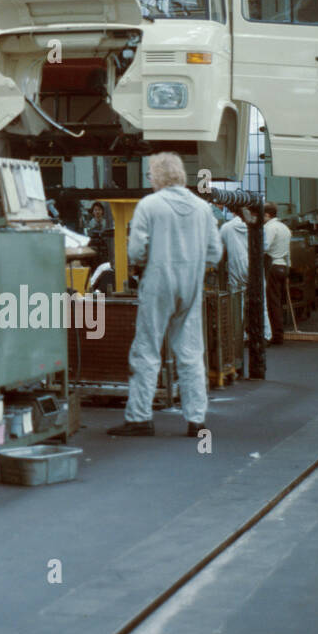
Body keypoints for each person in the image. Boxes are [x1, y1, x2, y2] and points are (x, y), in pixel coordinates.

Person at [107, 152, 221, 438]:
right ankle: (196, 420)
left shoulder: (150, 205)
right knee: (191, 351)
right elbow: (215, 252)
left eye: (150, 175)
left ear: (157, 176)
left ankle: (140, 418)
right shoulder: (202, 208)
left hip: (158, 281)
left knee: (146, 349)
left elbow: (135, 250)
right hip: (191, 284)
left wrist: (142, 265)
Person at [218, 206, 270, 343]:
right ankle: (264, 335)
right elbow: (265, 247)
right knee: (260, 303)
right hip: (255, 267)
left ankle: (239, 336)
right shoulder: (257, 226)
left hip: (236, 267)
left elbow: (219, 249)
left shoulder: (226, 228)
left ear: (233, 212)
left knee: (237, 303)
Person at [262, 202, 292, 342]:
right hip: (283, 266)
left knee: (272, 301)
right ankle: (278, 331)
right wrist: (288, 269)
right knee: (278, 300)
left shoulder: (270, 228)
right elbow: (288, 252)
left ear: (267, 215)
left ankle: (276, 334)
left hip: (272, 266)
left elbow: (264, 247)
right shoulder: (284, 228)